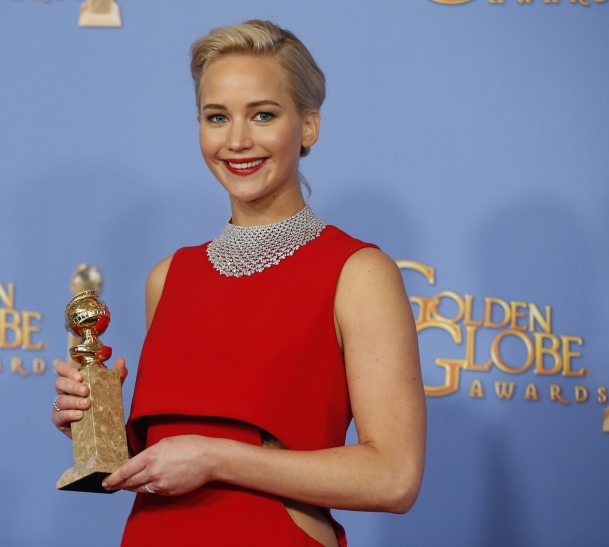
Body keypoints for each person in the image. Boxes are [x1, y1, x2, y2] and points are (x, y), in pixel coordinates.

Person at [52, 19, 426, 547]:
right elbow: (163, 459)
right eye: (217, 117)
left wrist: (214, 458)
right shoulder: (169, 277)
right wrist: (92, 428)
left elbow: (395, 477)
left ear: (309, 126)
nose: (237, 141)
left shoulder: (357, 273)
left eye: (264, 115)